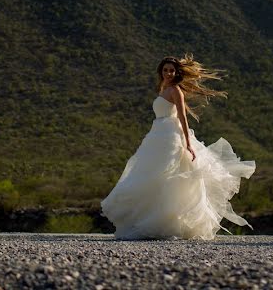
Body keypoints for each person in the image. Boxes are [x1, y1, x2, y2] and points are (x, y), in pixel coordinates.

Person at [101, 54, 256, 240]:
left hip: (171, 136)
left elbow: (182, 116)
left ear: (176, 73)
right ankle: (150, 219)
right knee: (152, 175)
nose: (168, 73)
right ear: (161, 71)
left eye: (171, 70)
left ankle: (170, 222)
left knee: (168, 175)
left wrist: (188, 144)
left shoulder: (175, 90)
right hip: (158, 133)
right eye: (165, 70)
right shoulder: (163, 88)